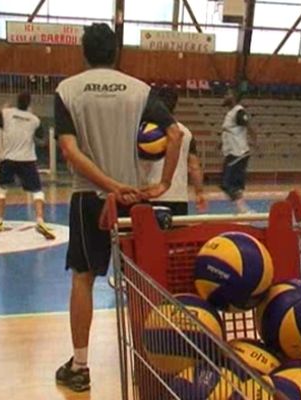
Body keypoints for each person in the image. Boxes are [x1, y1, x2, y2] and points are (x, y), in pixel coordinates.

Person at [54, 23, 182, 392]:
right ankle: (159, 361)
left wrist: (108, 186)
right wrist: (160, 184)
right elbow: (173, 135)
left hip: (89, 199)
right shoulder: (139, 90)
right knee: (141, 283)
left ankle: (80, 367)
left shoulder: (67, 90)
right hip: (134, 202)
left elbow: (69, 151)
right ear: (116, 53)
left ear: (84, 53)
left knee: (83, 278)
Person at [0, 91, 55, 240]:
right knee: (37, 191)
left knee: (2, 188)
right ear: (29, 104)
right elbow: (42, 141)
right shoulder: (35, 120)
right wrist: (29, 136)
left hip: (8, 159)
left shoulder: (6, 113)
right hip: (27, 160)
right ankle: (40, 220)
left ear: (16, 102)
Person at [140, 87, 207, 216]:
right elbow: (194, 167)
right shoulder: (185, 132)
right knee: (177, 236)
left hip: (149, 194)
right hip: (178, 197)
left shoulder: (142, 130)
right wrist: (199, 192)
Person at [220, 89, 256, 214]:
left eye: (227, 94)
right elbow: (229, 132)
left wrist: (255, 141)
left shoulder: (238, 111)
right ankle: (242, 209)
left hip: (238, 152)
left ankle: (243, 209)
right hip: (232, 152)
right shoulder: (230, 113)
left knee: (226, 183)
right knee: (234, 183)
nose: (224, 96)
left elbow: (249, 126)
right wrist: (220, 144)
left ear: (234, 97)